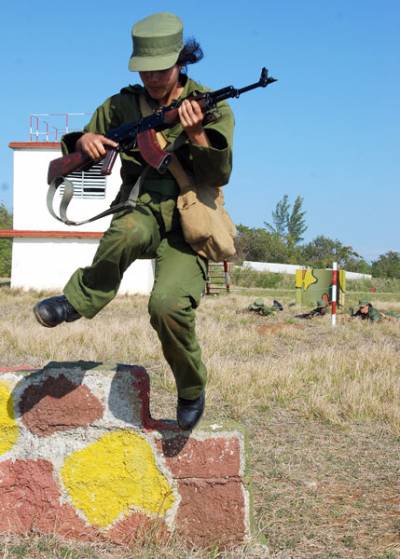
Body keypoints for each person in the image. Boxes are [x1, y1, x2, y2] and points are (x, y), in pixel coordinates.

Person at [33, 12, 234, 431]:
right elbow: (84, 144)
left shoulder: (209, 104)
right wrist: (82, 141)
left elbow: (219, 175)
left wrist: (197, 136)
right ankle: (80, 299)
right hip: (141, 206)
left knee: (166, 307)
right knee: (126, 231)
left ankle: (191, 388)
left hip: (188, 220)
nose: (154, 79)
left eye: (162, 69)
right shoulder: (122, 105)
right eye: (146, 70)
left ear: (182, 61)